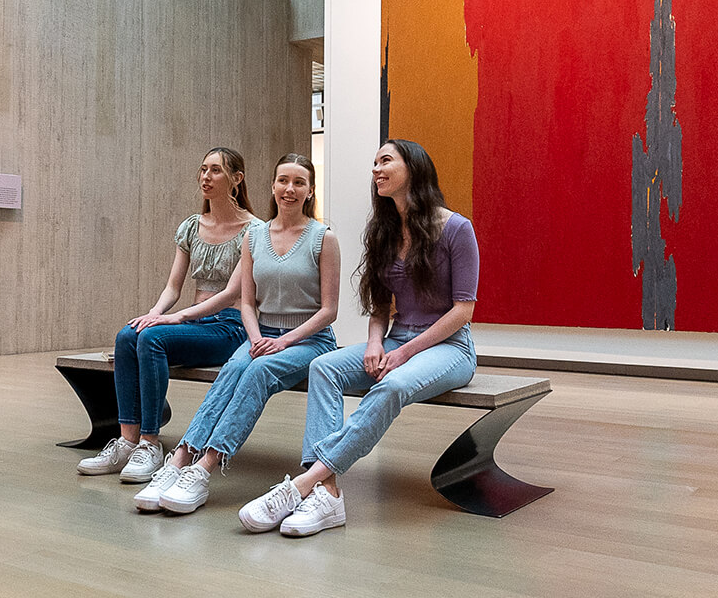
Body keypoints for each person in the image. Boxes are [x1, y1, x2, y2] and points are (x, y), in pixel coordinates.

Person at [238, 139, 478, 536]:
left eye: (386, 161)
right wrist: (374, 343)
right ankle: (328, 494)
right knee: (323, 367)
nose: (376, 169)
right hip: (395, 340)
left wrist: (404, 354)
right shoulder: (383, 230)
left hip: (449, 348)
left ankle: (303, 483)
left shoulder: (456, 228)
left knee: (392, 385)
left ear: (414, 169)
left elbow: (462, 312)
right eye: (374, 163)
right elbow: (380, 305)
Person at [134, 153, 340, 514]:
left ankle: (203, 469)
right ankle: (178, 460)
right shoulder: (255, 236)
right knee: (233, 369)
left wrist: (283, 341)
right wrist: (257, 336)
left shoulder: (323, 237)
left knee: (258, 371)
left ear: (310, 191)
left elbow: (328, 311)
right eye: (282, 181)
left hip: (309, 340)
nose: (289, 189)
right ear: (272, 186)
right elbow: (246, 302)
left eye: (298, 183)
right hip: (262, 334)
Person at [78, 148, 257, 482]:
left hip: (230, 326)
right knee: (128, 334)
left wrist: (176, 319)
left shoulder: (253, 230)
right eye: (203, 169)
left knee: (153, 338)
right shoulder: (191, 226)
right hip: (195, 321)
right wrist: (155, 312)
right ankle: (128, 442)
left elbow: (233, 294)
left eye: (216, 171)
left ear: (237, 178)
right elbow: (173, 287)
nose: (206, 177)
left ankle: (150, 443)